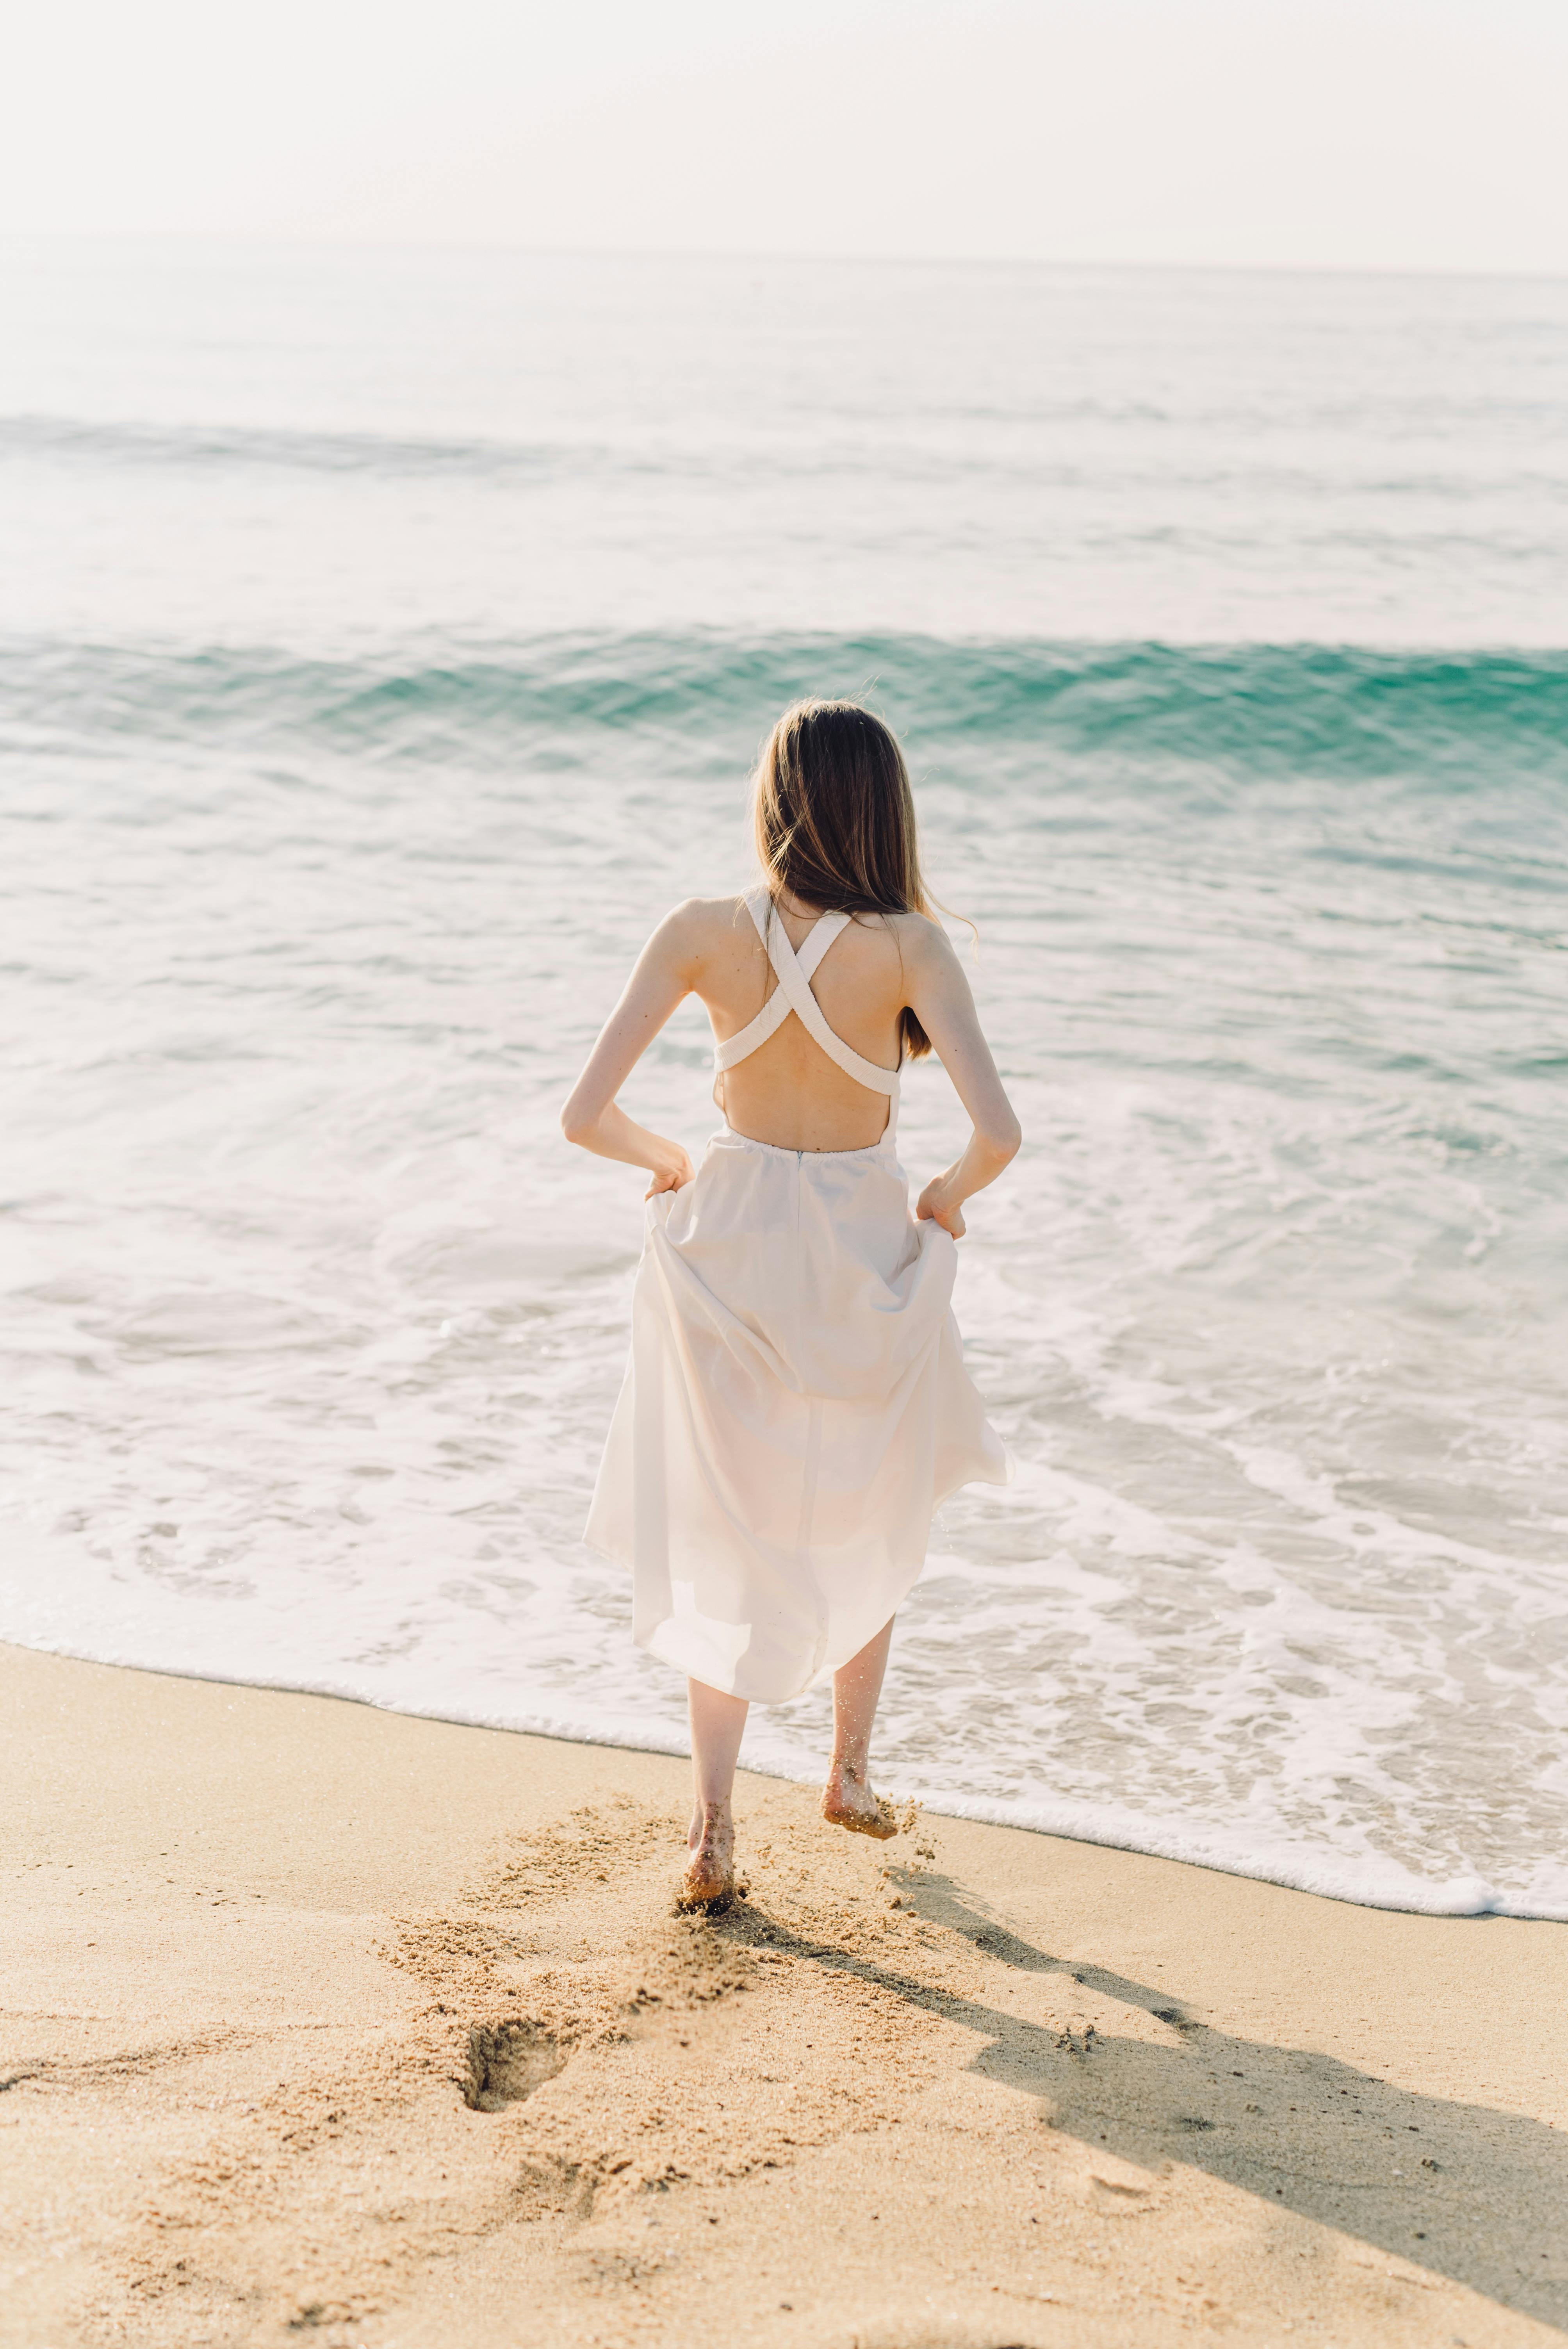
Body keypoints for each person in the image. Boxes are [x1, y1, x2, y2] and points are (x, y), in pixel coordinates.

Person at [561, 701, 1020, 1907]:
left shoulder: (703, 931)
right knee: (874, 1496)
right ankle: (851, 1774)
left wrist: (671, 1162)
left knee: (727, 1523)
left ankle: (711, 1831)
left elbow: (584, 1117)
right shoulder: (915, 947)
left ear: (774, 798)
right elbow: (999, 1136)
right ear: (886, 807)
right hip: (865, 1244)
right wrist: (944, 1200)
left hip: (733, 1241)